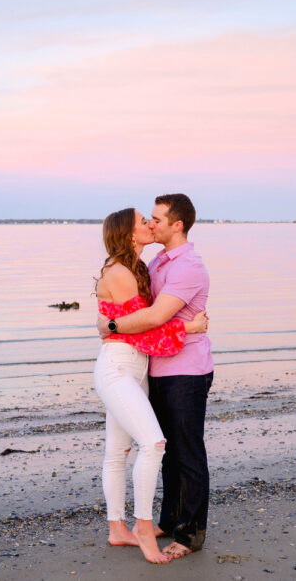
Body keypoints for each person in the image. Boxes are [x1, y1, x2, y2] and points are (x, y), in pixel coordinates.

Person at [98, 193, 212, 559]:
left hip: (181, 369)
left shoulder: (183, 265)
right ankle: (158, 520)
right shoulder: (146, 265)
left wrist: (111, 324)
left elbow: (152, 320)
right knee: (156, 449)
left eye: (156, 219)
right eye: (145, 220)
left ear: (176, 225)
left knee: (179, 451)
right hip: (142, 368)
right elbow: (141, 322)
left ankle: (187, 532)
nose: (150, 224)